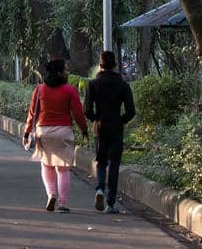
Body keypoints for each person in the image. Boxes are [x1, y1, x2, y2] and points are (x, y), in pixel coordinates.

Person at [23, 58, 91, 213]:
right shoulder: (69, 90)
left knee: (47, 165)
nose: (67, 72)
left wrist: (27, 133)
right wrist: (84, 130)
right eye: (66, 69)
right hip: (64, 131)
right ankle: (63, 203)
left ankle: (51, 194)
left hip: (43, 131)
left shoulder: (39, 89)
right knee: (63, 168)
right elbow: (78, 114)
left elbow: (32, 113)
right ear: (60, 72)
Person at [85, 50, 137, 214]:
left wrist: (95, 118)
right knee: (114, 164)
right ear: (115, 65)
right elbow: (131, 111)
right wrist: (121, 121)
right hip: (116, 127)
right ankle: (111, 203)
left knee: (101, 161)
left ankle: (100, 188)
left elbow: (86, 109)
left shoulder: (93, 84)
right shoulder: (123, 84)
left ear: (100, 65)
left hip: (100, 126)